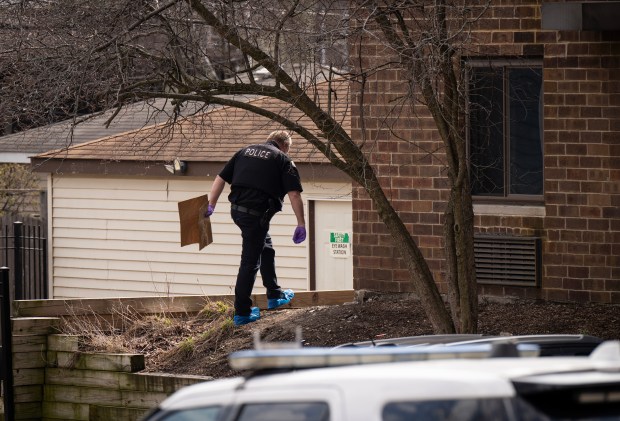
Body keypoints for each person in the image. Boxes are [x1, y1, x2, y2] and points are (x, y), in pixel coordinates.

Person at [205, 130, 307, 326]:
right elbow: (294, 195)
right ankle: (242, 312)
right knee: (250, 262)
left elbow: (220, 178)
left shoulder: (245, 151)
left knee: (265, 245)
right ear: (284, 146)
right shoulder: (282, 159)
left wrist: (212, 204)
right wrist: (301, 223)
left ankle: (274, 294)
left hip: (237, 211)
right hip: (256, 216)